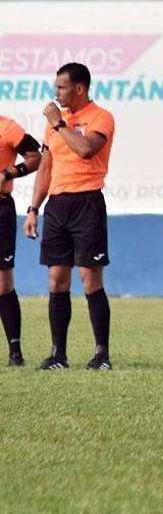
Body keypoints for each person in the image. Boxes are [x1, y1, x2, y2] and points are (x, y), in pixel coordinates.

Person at [22, 63, 115, 371]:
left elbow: (86, 150)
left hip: (87, 203)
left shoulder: (101, 117)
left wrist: (60, 124)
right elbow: (46, 167)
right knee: (56, 280)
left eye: (61, 87)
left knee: (90, 280)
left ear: (79, 88)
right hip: (57, 207)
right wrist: (34, 208)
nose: (56, 92)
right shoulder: (55, 125)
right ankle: (58, 354)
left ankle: (101, 354)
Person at [0, 114, 41, 366]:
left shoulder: (7, 127)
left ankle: (15, 351)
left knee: (3, 283)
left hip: (1, 207)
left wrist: (8, 173)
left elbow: (36, 158)